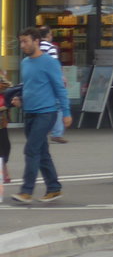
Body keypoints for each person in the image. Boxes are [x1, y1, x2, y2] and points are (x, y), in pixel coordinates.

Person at [11, 26, 72, 204]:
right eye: (21, 42)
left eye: (25, 41)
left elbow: (60, 88)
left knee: (31, 149)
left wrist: (66, 113)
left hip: (47, 112)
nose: (22, 45)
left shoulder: (50, 62)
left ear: (36, 41)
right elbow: (29, 86)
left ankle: (26, 191)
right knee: (42, 152)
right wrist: (20, 99)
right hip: (30, 112)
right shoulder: (25, 63)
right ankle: (54, 188)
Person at [38, 26, 67, 144]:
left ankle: (40, 132)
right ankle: (57, 133)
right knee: (58, 105)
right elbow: (54, 65)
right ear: (48, 35)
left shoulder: (36, 47)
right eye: (51, 34)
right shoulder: (51, 48)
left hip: (39, 81)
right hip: (50, 81)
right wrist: (61, 77)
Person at [0, 71, 12, 184]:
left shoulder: (1, 79)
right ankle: (4, 171)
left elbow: (9, 87)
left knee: (5, 146)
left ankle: (4, 170)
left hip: (2, 121)